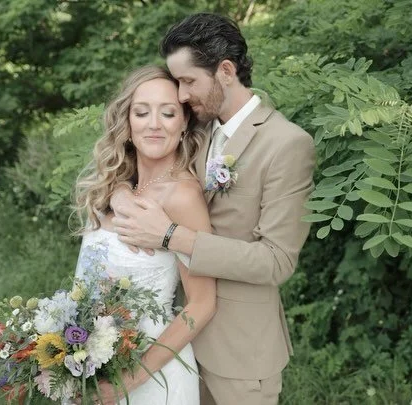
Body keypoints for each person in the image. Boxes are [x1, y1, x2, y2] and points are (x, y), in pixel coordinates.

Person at [110, 13, 316, 405]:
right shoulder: (196, 129)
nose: (180, 95)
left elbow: (276, 261)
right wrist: (122, 195)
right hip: (174, 340)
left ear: (225, 71)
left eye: (188, 81)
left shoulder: (286, 144)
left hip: (240, 351)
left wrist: (171, 236)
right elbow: (136, 169)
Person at [72, 65, 215, 405]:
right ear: (127, 122)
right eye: (141, 112)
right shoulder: (116, 185)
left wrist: (127, 382)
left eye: (168, 113)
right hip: (90, 360)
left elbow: (202, 303)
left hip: (152, 375)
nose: (154, 124)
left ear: (184, 123)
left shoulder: (183, 197)